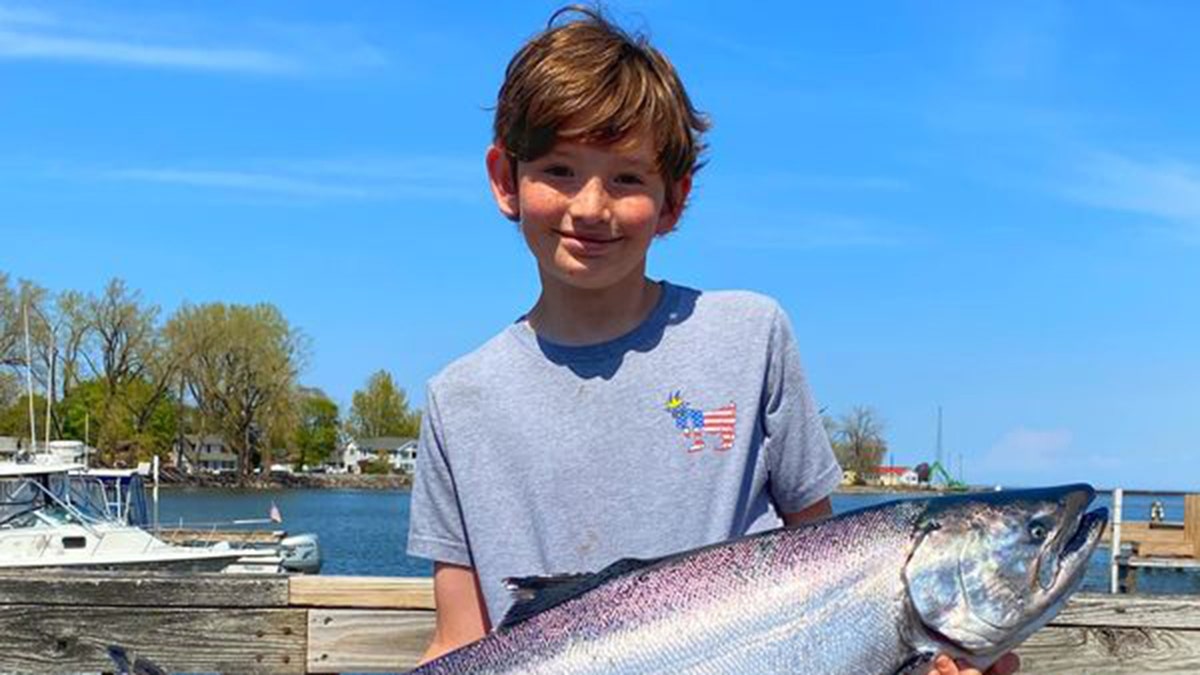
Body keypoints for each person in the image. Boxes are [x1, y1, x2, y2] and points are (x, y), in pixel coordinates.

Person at [406, 8, 1018, 675]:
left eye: (627, 178)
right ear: (505, 180)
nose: (590, 206)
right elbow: (459, 641)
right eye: (559, 169)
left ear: (672, 201)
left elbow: (834, 581)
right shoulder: (458, 399)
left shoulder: (751, 337)